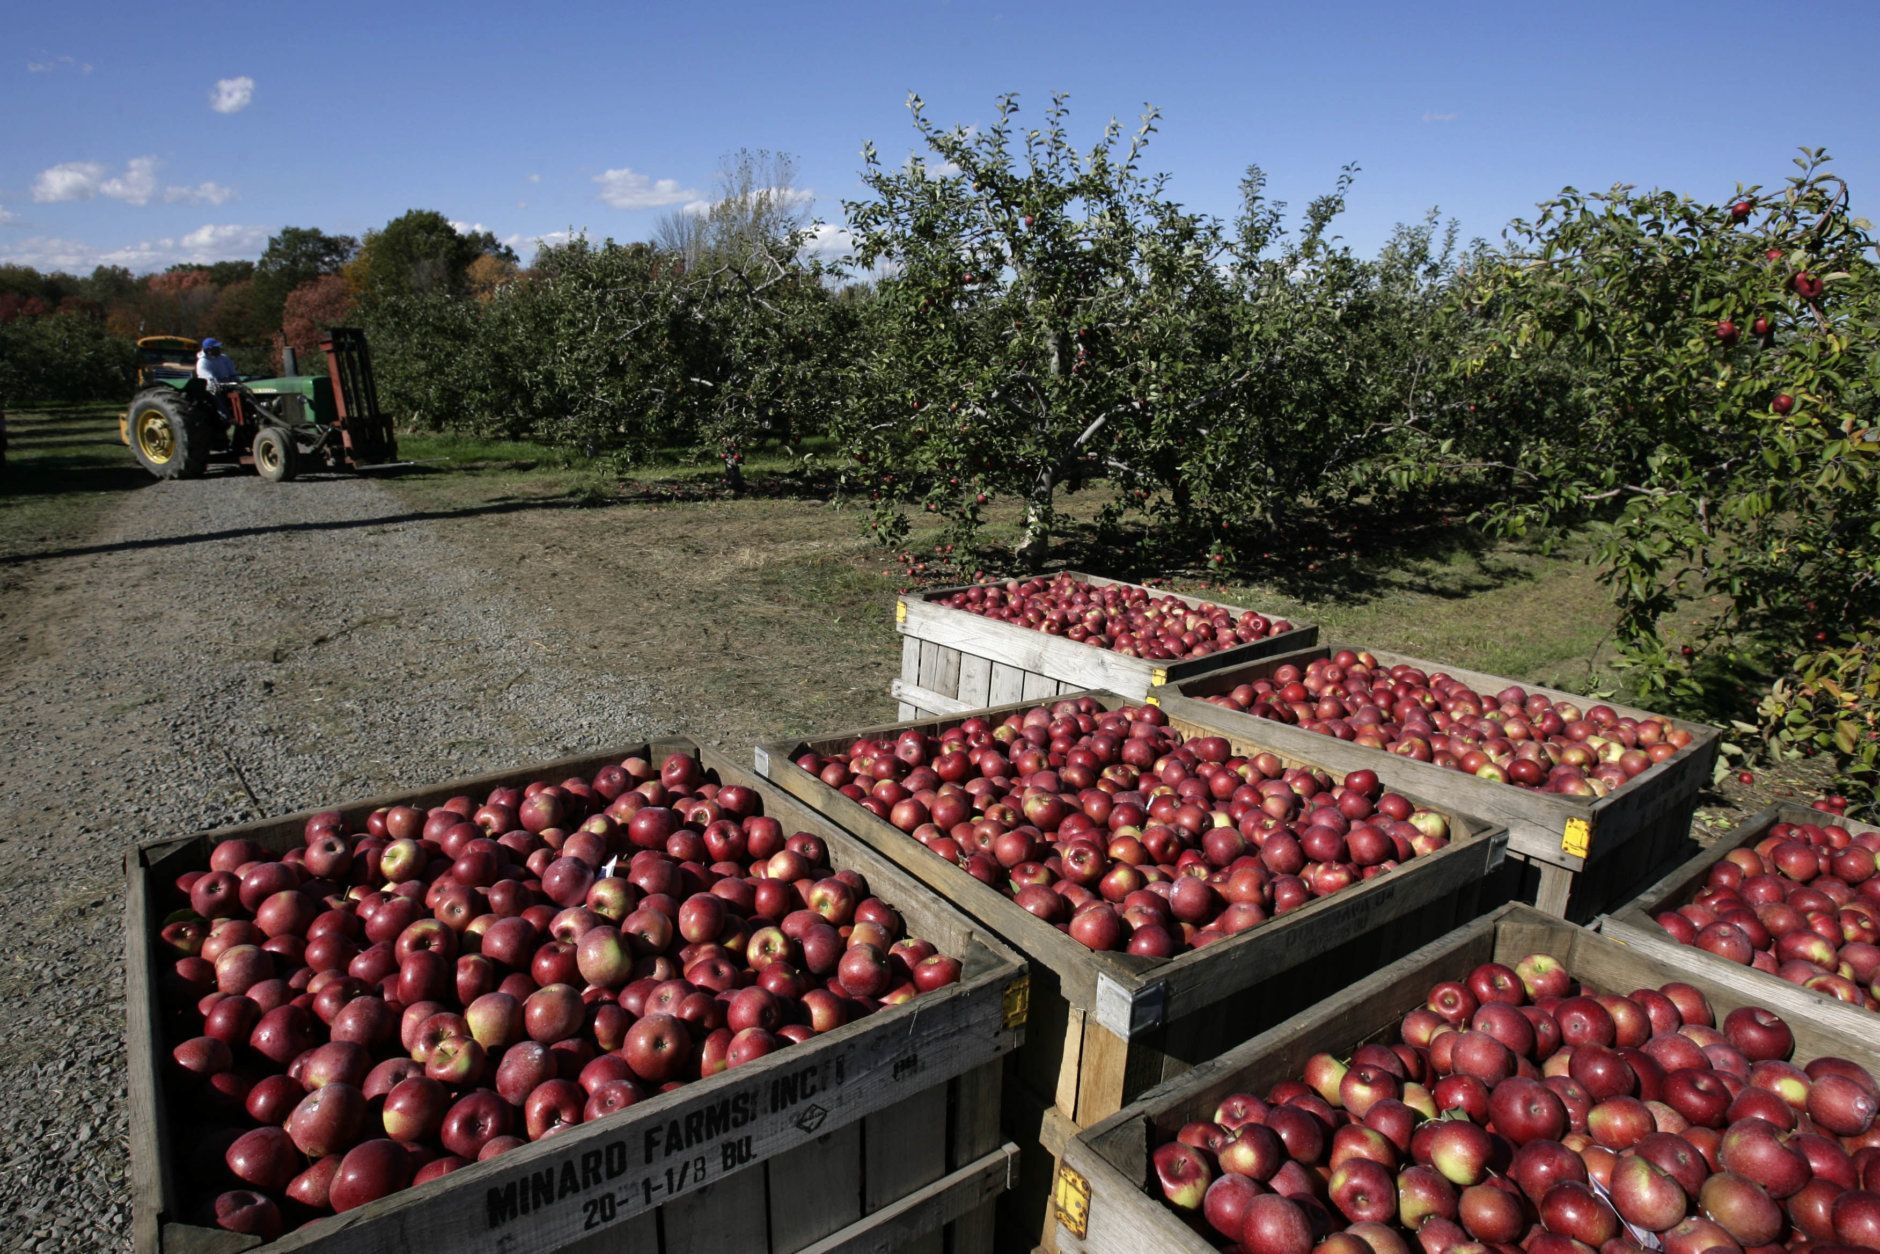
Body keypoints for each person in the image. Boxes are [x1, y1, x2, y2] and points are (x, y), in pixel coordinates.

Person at [195, 337, 240, 438]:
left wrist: (236, 381)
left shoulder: (224, 358)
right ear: (209, 350)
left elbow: (232, 372)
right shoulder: (203, 362)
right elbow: (209, 378)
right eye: (216, 348)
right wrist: (218, 384)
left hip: (229, 384)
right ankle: (228, 420)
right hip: (214, 388)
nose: (219, 349)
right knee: (217, 398)